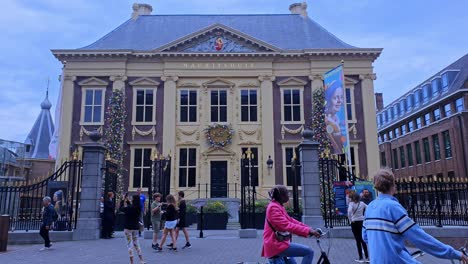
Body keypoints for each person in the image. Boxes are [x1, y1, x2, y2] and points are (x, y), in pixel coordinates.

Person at [363, 169, 468, 264]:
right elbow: (419, 238)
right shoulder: (393, 207)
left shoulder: (370, 207)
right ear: (393, 185)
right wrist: (454, 253)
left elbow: (365, 236)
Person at [262, 185, 321, 264]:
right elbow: (287, 225)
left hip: (281, 243)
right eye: (287, 193)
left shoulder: (278, 206)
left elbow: (291, 220)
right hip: (276, 245)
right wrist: (308, 231)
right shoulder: (273, 208)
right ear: (281, 196)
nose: (289, 195)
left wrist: (309, 229)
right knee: (309, 252)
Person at [120, 194, 146, 264]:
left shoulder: (129, 208)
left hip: (128, 228)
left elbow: (121, 208)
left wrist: (122, 200)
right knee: (137, 244)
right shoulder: (138, 208)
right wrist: (128, 202)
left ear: (133, 200)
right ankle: (141, 259)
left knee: (129, 245)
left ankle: (132, 262)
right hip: (135, 227)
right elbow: (131, 207)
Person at [347, 193, 368, 263]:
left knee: (357, 240)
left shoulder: (351, 204)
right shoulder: (362, 203)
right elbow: (368, 207)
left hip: (354, 222)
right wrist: (365, 217)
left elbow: (349, 211)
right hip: (361, 221)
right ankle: (367, 256)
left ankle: (360, 257)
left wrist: (350, 220)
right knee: (362, 239)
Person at [325, 81, 345, 154]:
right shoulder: (328, 122)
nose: (339, 101)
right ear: (329, 100)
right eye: (336, 97)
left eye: (341, 97)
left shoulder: (337, 120)